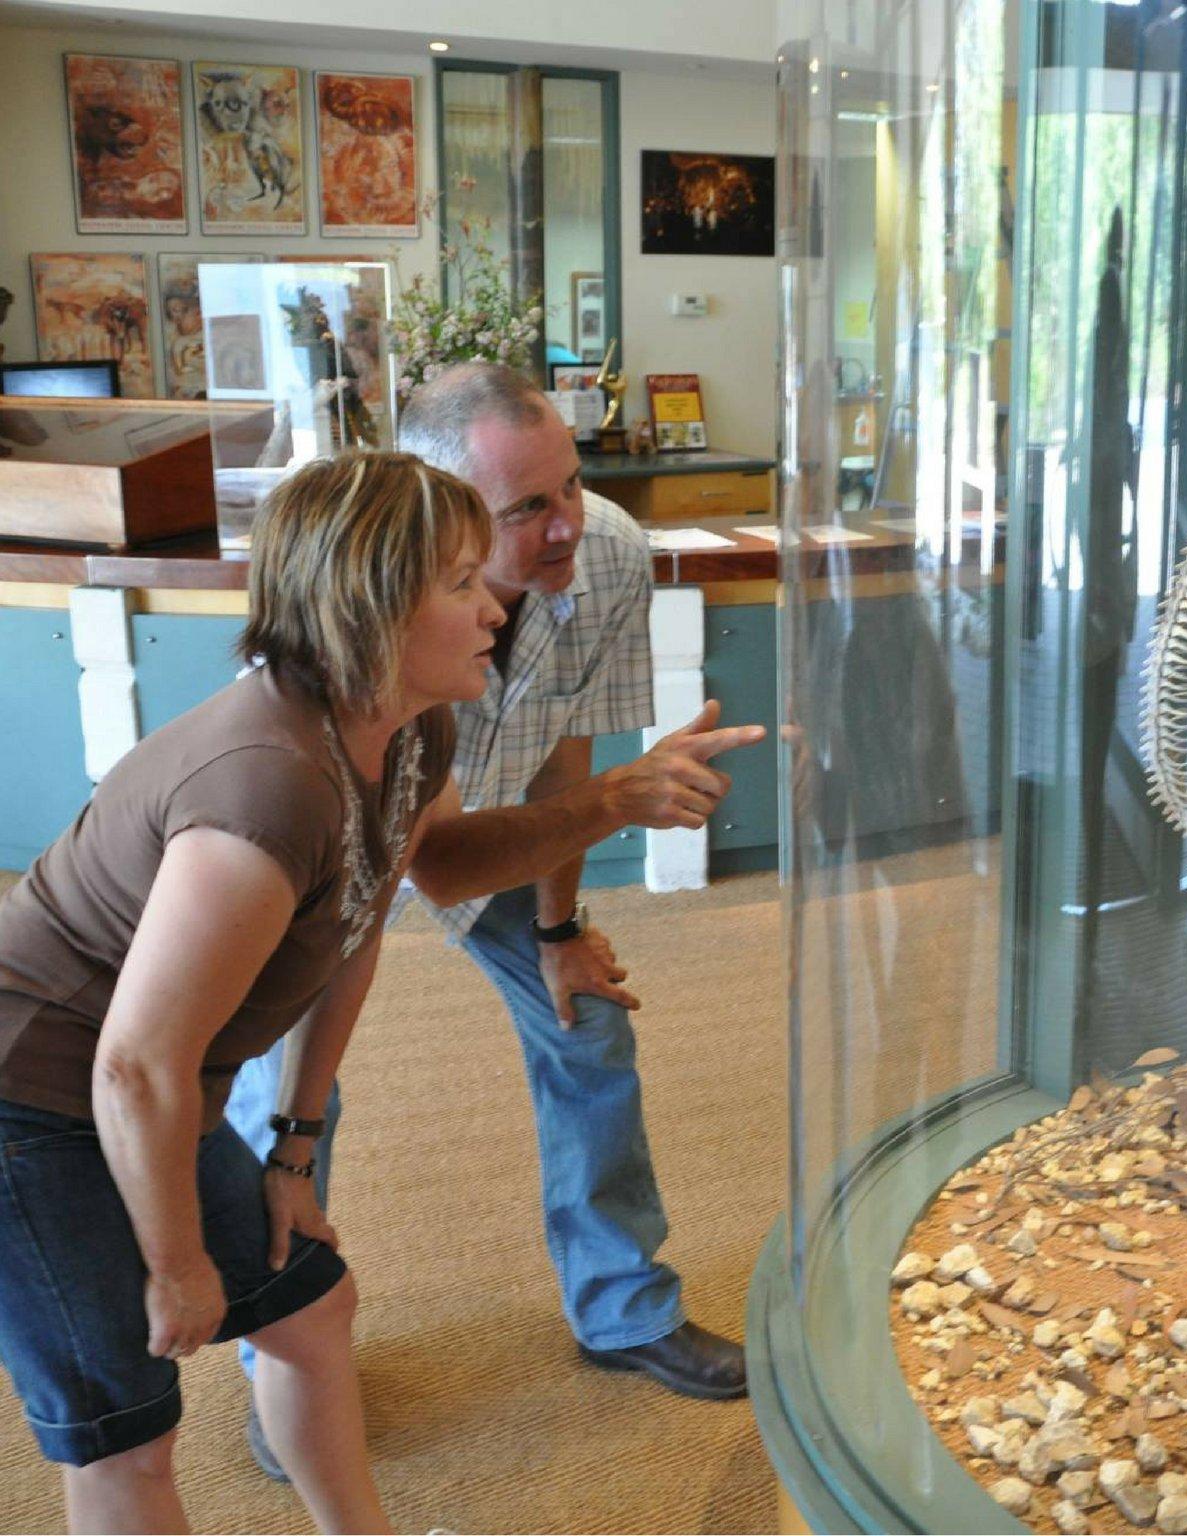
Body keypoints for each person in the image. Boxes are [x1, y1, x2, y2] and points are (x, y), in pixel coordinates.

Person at [0, 453, 757, 1532]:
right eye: (456, 582)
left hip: (140, 1085)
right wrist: (173, 1267)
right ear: (372, 609)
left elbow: (372, 914)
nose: (489, 600)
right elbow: (134, 1065)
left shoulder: (405, 728)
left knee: (310, 1309)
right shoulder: (260, 794)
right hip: (32, 1102)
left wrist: (295, 1150)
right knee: (129, 1441)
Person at [230, 363, 748, 1485]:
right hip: (327, 858)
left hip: (507, 821)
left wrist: (561, 936)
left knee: (589, 1025)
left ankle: (621, 1308)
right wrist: (614, 804)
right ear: (438, 507)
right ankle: (284, 1366)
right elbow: (428, 861)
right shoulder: (352, 598)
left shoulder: (602, 547)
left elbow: (569, 751)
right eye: (526, 510)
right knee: (279, 1096)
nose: (566, 525)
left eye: (569, 482)